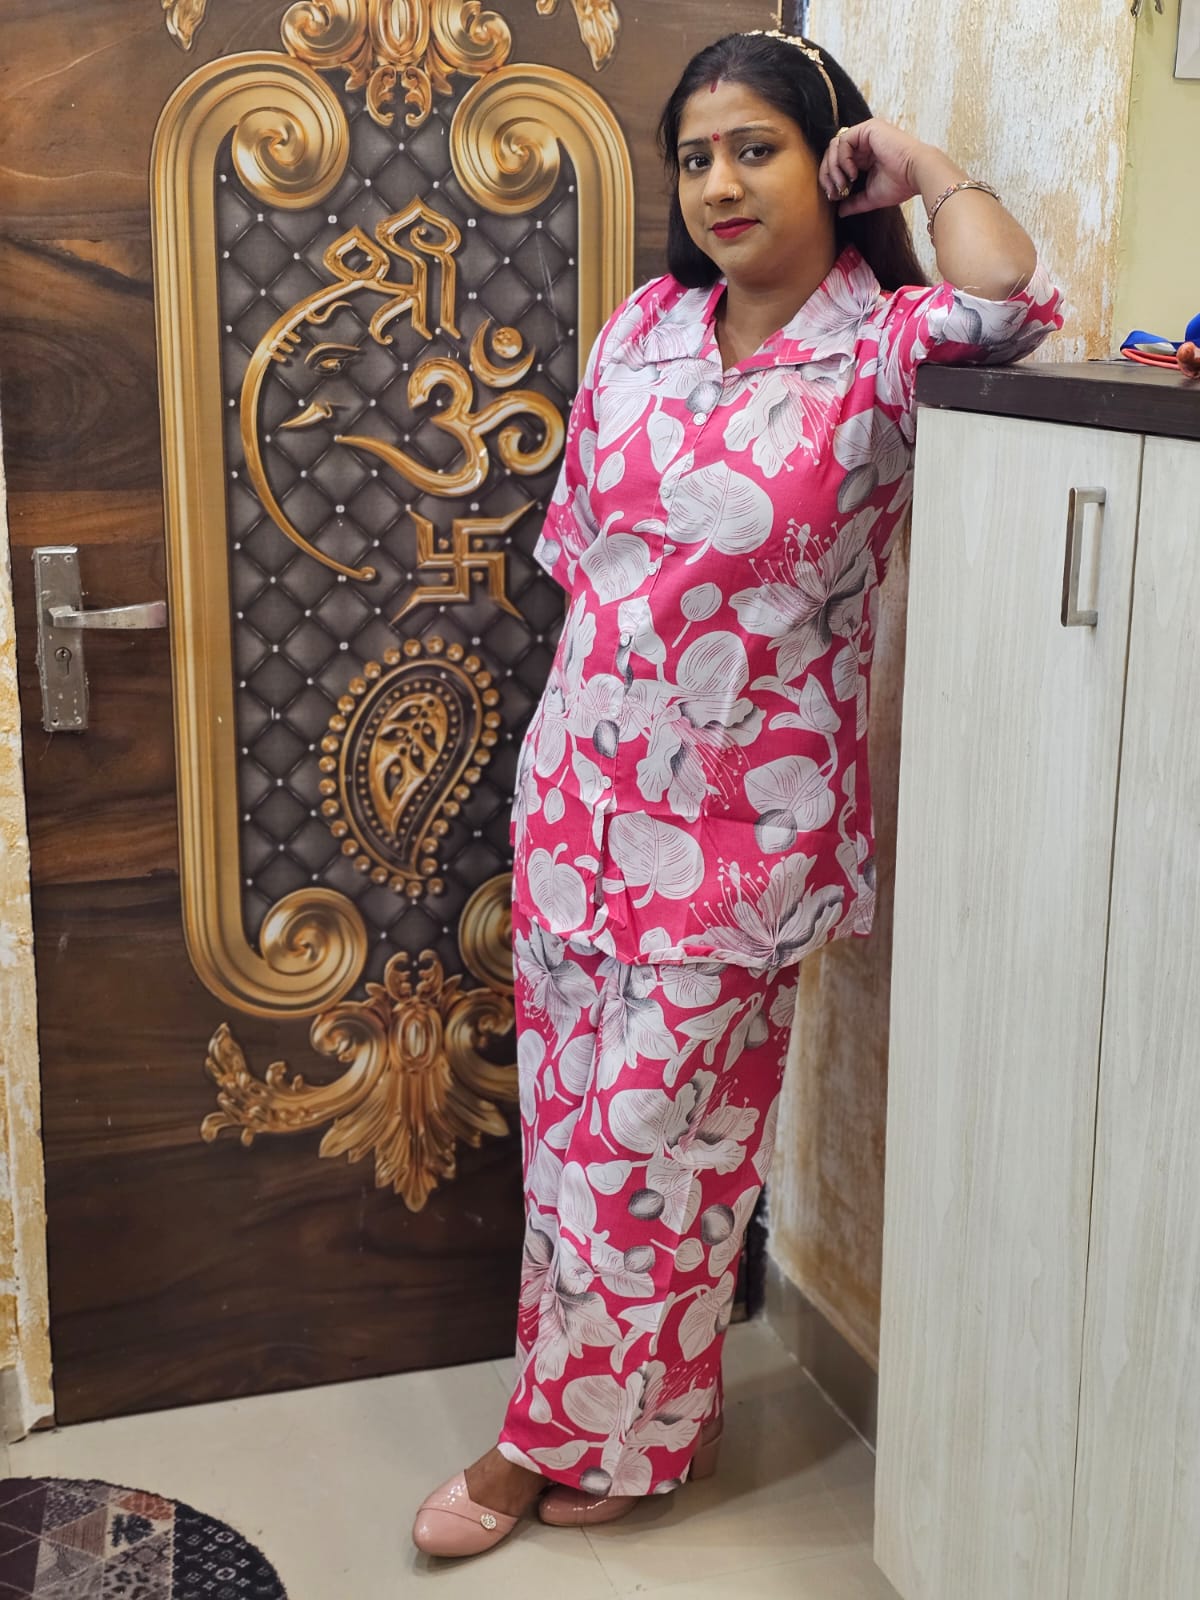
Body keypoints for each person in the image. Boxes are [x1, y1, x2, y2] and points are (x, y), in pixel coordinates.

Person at [412, 28, 1062, 1558]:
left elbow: (1009, 300)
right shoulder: (644, 327)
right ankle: (653, 1430)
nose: (718, 183)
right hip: (578, 806)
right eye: (695, 156)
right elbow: (585, 559)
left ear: (830, 165)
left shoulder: (884, 348)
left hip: (742, 843)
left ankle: (529, 1445)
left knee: (650, 1156)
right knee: (587, 1156)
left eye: (755, 149)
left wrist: (923, 163)